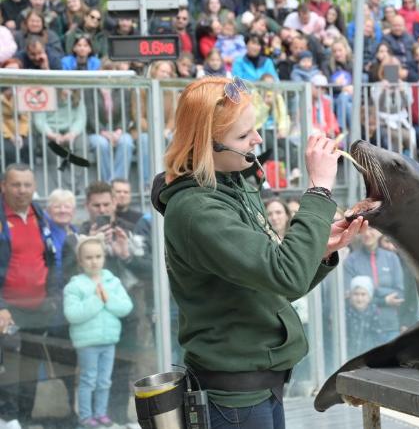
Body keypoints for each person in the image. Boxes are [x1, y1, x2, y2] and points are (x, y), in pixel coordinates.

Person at [151, 76, 366, 429]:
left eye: (255, 129)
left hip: (263, 386)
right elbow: (286, 273)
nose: (257, 140)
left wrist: (320, 251)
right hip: (234, 399)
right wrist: (320, 190)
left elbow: (278, 283)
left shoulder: (235, 185)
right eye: (242, 136)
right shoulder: (196, 210)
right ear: (208, 145)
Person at [0, 164, 61, 425]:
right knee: (8, 367)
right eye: (16, 184)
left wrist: (54, 297)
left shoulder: (40, 215)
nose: (22, 190)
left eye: (27, 184)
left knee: (30, 367)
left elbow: (52, 258)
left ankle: (24, 418)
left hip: (39, 307)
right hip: (7, 309)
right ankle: (7, 416)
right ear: (3, 186)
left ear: (35, 187)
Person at [63, 235, 134, 428]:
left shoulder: (113, 281)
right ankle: (86, 416)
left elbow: (125, 307)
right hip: (87, 343)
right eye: (88, 257)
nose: (94, 261)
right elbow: (73, 314)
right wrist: (97, 300)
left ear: (104, 257)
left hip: (108, 340)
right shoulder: (75, 285)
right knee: (88, 380)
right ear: (80, 260)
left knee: (104, 380)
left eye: (98, 256)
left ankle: (101, 413)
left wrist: (107, 298)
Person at [343, 227, 404, 343]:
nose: (367, 233)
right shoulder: (351, 261)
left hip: (390, 326)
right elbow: (353, 297)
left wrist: (370, 291)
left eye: (371, 229)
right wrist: (384, 300)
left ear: (379, 231)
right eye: (362, 230)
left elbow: (399, 293)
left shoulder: (392, 258)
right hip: (363, 328)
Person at [344, 276, 382, 357]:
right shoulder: (345, 312)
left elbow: (377, 337)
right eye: (356, 294)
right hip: (348, 355)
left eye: (363, 294)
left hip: (367, 355)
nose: (359, 298)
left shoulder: (373, 312)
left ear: (369, 297)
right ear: (350, 295)